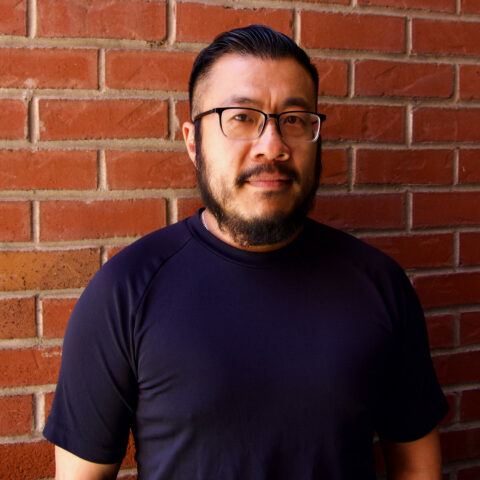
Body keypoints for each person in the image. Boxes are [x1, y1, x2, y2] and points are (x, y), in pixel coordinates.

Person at [44, 25, 449, 479]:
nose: (273, 146)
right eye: (240, 117)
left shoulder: (380, 285)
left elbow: (418, 469)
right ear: (192, 142)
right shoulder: (125, 292)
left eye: (294, 119)